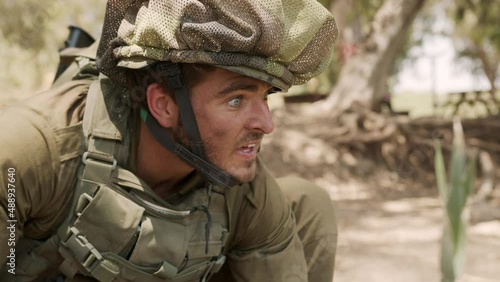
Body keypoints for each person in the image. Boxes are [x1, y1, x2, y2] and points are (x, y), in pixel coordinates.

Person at [0, 0, 338, 281]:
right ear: (163, 104)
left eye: (265, 97)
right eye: (236, 100)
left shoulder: (244, 190)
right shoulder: (31, 151)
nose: (266, 124)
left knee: (305, 201)